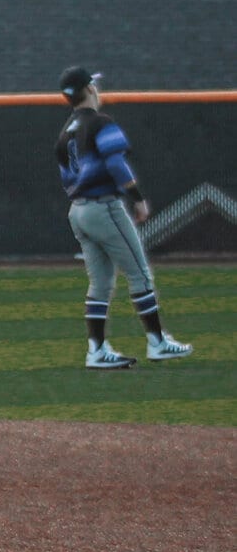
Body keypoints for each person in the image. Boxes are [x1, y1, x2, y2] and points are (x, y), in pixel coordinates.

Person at [56, 66, 193, 370]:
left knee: (101, 283)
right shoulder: (100, 123)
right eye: (95, 85)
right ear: (90, 90)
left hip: (78, 210)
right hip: (104, 207)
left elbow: (67, 177)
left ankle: (96, 350)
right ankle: (157, 343)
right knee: (139, 274)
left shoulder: (65, 132)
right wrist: (138, 199)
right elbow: (116, 164)